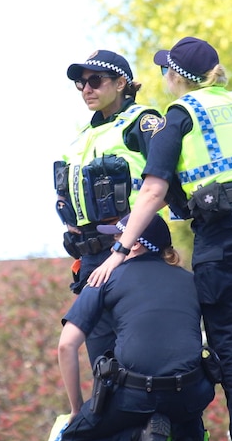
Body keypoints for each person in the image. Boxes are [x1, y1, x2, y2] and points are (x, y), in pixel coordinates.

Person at [87, 36, 232, 441]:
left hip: (230, 231)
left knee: (230, 339)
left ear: (175, 76)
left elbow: (153, 189)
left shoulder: (180, 114)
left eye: (166, 68)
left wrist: (120, 248)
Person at [51, 213, 215, 441]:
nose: (113, 245)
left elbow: (66, 345)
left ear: (134, 243)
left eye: (117, 238)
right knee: (179, 404)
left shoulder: (103, 277)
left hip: (135, 395)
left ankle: (137, 440)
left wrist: (77, 409)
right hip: (190, 393)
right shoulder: (191, 279)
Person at [54, 50, 163, 364]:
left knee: (140, 352)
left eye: (95, 80)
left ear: (120, 83)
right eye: (80, 83)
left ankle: (155, 414)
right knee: (103, 361)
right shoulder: (81, 138)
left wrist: (138, 236)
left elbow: (169, 184)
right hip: (90, 260)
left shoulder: (143, 122)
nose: (86, 89)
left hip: (131, 251)